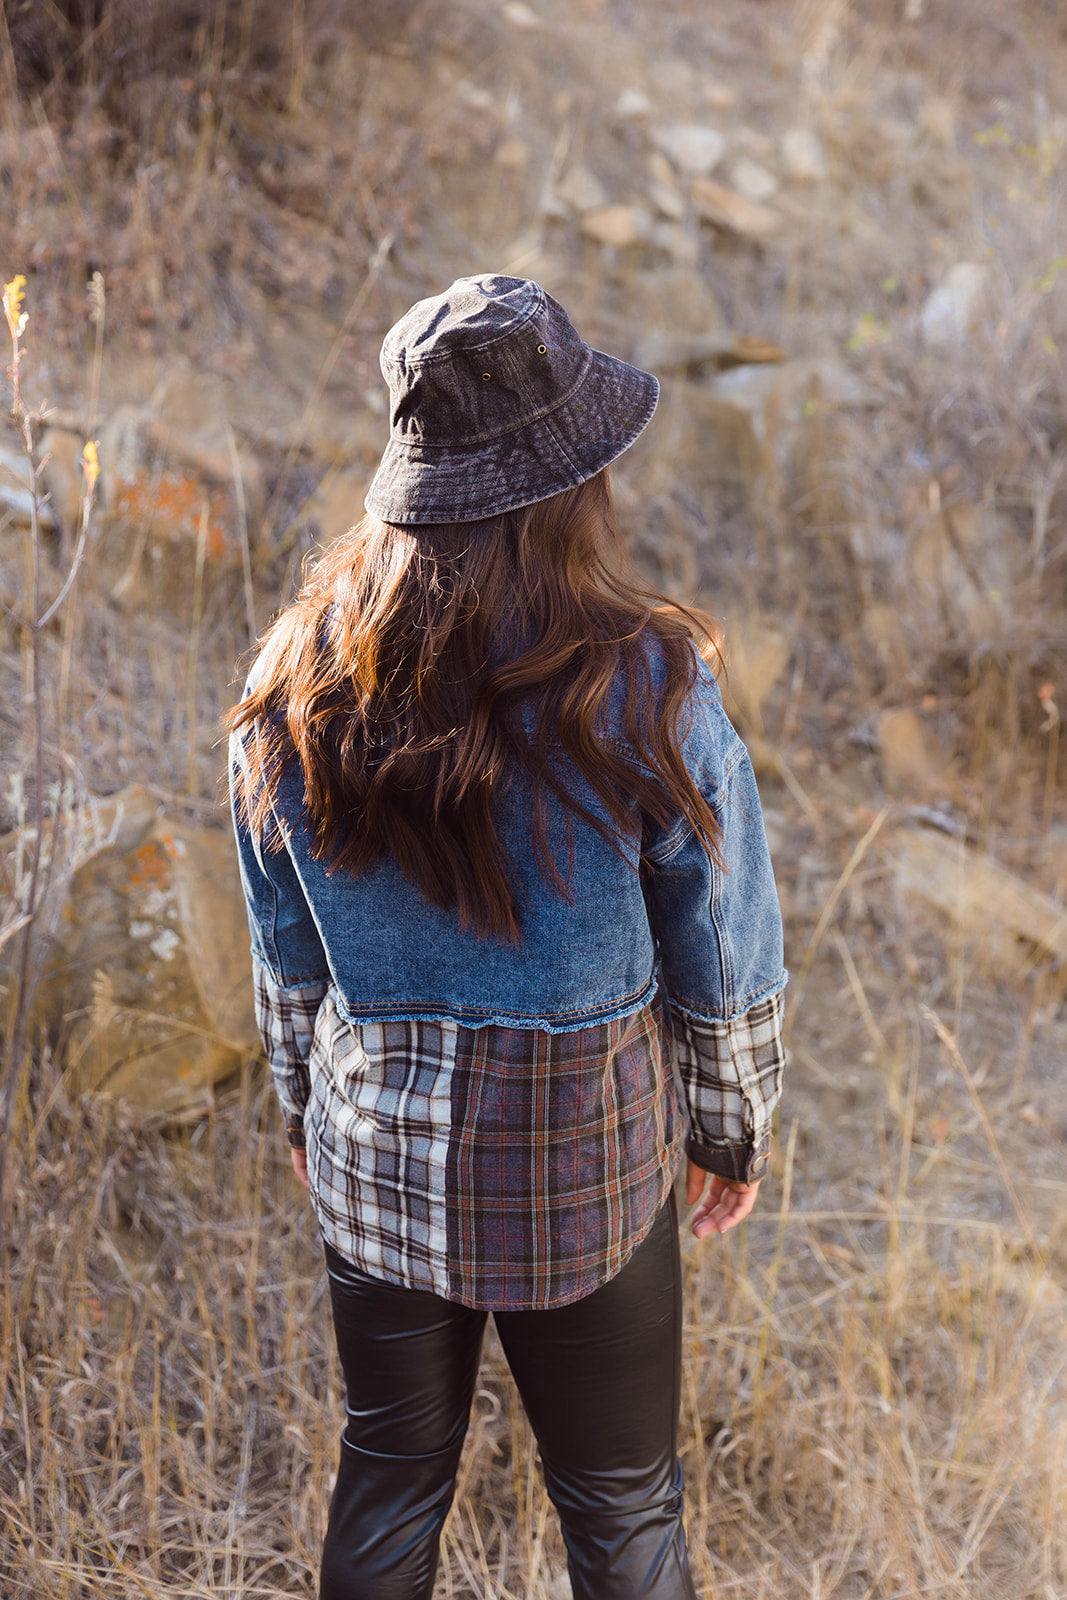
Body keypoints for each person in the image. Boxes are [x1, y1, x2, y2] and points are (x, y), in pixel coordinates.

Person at [227, 274, 786, 1600]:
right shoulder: (646, 683)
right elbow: (720, 939)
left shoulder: (290, 681)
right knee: (623, 1511)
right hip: (586, 1166)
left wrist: (307, 1110)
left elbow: (287, 958)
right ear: (570, 482)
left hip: (380, 1158)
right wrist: (730, 1127)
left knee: (390, 1476)